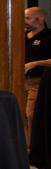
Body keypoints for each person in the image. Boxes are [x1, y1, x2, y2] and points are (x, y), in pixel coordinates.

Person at [23, 7, 51, 143]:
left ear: (41, 19)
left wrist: (35, 63)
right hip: (20, 81)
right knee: (19, 114)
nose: (25, 22)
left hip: (38, 82)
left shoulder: (48, 37)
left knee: (31, 114)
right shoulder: (22, 36)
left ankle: (33, 150)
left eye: (28, 18)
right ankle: (24, 147)